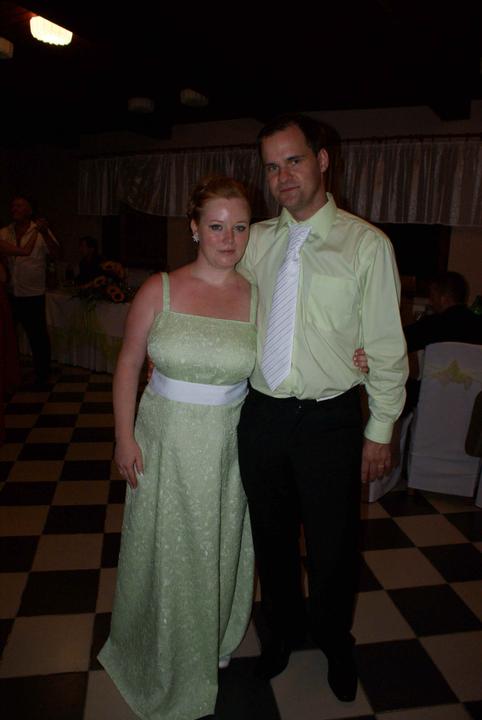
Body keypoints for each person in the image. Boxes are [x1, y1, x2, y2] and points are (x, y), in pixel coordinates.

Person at [237, 114, 408, 702]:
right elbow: (220, 302)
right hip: (262, 414)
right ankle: (282, 632)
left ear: (323, 159)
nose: (282, 176)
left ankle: (335, 641)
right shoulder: (255, 241)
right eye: (272, 166)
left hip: (330, 419)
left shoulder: (367, 245)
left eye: (294, 160)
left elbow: (385, 346)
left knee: (334, 545)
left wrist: (380, 428)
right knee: (272, 538)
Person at [98, 176, 257, 720]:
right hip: (162, 441)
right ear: (194, 227)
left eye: (240, 227)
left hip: (227, 447)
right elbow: (127, 363)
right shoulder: (159, 289)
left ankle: (210, 638)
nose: (229, 239)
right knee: (165, 550)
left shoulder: (258, 296)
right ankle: (159, 648)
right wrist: (123, 436)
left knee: (216, 545)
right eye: (216, 226)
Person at [0, 196, 60, 387]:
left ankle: (42, 375)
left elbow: (57, 254)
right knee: (7, 336)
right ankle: (11, 373)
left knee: (37, 337)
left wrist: (46, 233)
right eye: (13, 205)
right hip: (10, 292)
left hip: (32, 293)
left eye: (19, 205)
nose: (14, 208)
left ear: (29, 210)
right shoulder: (4, 232)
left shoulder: (41, 231)